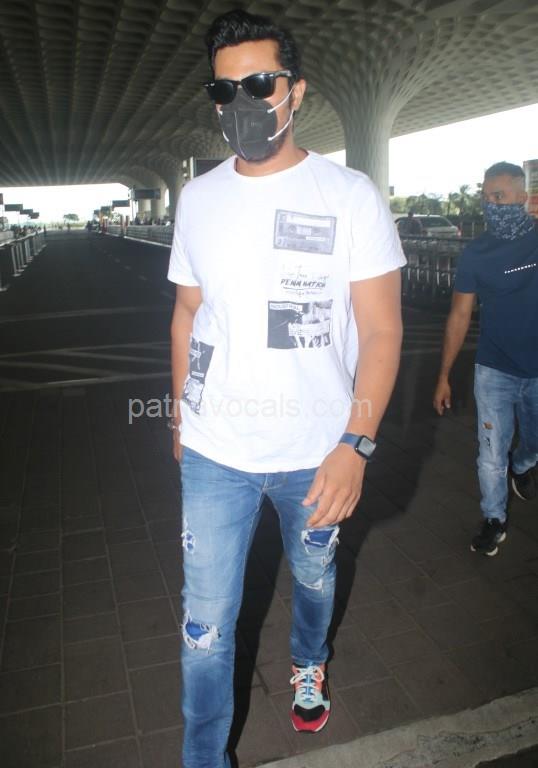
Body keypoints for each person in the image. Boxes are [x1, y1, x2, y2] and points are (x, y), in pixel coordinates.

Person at [167, 9, 405, 767]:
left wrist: (356, 444)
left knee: (313, 578)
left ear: (295, 91)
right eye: (224, 89)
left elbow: (382, 332)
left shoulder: (350, 195)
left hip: (317, 452)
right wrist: (179, 417)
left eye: (260, 85)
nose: (242, 102)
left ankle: (309, 659)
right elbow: (187, 314)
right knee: (204, 630)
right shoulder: (198, 199)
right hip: (216, 452)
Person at [433, 161, 538, 557]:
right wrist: (443, 375)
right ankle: (494, 519)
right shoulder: (476, 253)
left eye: (500, 196)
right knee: (491, 453)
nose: (491, 204)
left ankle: (523, 465)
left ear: (523, 198)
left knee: (532, 444)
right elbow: (460, 314)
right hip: (494, 369)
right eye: (486, 197)